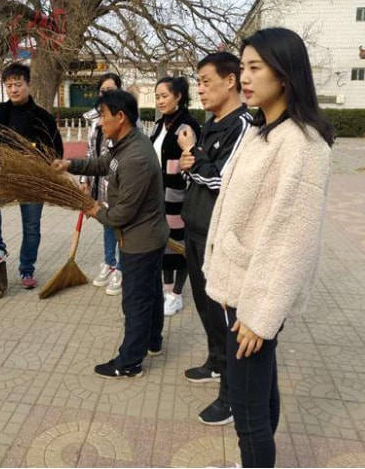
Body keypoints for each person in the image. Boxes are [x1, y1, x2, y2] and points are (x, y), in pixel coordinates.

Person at [203, 27, 333, 467]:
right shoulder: (260, 131)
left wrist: (260, 316)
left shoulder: (303, 144)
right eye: (242, 67)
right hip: (236, 286)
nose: (245, 77)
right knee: (261, 391)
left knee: (247, 409)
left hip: (256, 298)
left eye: (255, 67)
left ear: (285, 72)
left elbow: (292, 240)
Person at [53, 90, 169, 378]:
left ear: (121, 117)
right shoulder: (123, 145)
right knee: (151, 293)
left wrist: (94, 209)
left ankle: (130, 362)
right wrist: (71, 164)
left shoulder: (136, 157)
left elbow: (122, 214)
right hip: (145, 236)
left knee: (136, 300)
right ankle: (152, 341)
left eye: (104, 115)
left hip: (140, 240)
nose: (100, 121)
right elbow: (103, 165)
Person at [178, 52, 252, 426]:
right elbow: (198, 175)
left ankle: (232, 396)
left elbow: (225, 182)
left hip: (219, 236)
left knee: (225, 313)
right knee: (205, 305)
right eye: (199, 82)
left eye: (206, 81)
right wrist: (193, 160)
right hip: (195, 227)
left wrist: (195, 156)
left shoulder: (244, 126)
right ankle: (216, 363)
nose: (201, 89)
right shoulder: (210, 124)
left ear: (230, 81)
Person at [0, 62, 63, 289]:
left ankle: (27, 269)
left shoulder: (42, 117)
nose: (14, 90)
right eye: (9, 86)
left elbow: (56, 151)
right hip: (1, 175)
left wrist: (42, 167)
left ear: (28, 84)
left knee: (31, 227)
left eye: (18, 84)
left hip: (32, 179)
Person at [150, 77, 201, 317]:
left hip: (178, 196)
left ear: (178, 96)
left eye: (164, 96)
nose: (160, 101)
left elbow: (192, 162)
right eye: (157, 96)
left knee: (178, 246)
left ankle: (177, 294)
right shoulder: (160, 125)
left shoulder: (187, 125)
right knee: (164, 242)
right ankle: (166, 289)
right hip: (159, 194)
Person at [80, 73, 123, 295]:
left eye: (111, 90)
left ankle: (121, 270)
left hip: (117, 181)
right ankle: (109, 263)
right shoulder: (92, 119)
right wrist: (84, 180)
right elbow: (89, 151)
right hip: (98, 180)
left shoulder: (124, 117)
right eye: (103, 90)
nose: (106, 94)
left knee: (120, 225)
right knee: (106, 222)